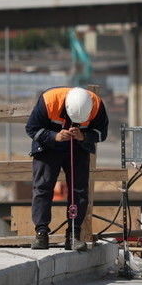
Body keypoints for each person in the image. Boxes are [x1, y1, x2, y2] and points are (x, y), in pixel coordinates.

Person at [25, 86, 109, 251]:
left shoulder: (96, 105)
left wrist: (84, 136)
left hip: (78, 147)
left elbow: (102, 133)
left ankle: (73, 234)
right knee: (43, 187)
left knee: (79, 190)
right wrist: (54, 136)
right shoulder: (49, 100)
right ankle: (41, 233)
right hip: (48, 146)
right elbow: (31, 128)